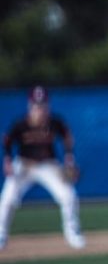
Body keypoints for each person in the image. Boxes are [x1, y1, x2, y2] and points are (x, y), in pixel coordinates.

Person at [1, 85, 84, 250]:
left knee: (68, 196)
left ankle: (72, 233)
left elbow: (67, 137)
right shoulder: (21, 124)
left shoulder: (55, 122)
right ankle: (1, 235)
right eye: (36, 106)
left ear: (48, 105)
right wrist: (8, 159)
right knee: (7, 199)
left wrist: (69, 158)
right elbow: (7, 141)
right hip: (24, 165)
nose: (40, 109)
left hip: (48, 165)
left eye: (43, 105)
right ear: (30, 106)